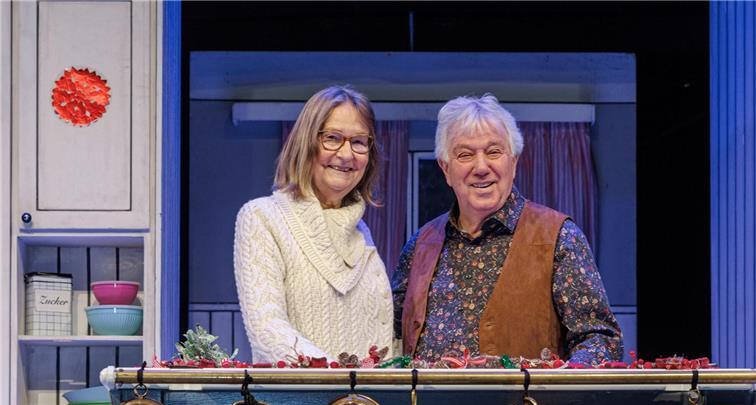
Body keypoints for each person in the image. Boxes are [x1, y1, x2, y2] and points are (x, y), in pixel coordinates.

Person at [392, 94, 623, 366]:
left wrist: (561, 383)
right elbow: (393, 338)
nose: (481, 167)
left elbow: (600, 339)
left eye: (493, 152)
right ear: (445, 169)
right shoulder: (420, 245)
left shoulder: (559, 238)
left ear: (513, 162)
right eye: (465, 155)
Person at [234, 86, 393, 363]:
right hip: (297, 404)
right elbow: (267, 330)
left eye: (358, 142)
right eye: (332, 138)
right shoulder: (262, 217)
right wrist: (340, 382)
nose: (346, 154)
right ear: (306, 143)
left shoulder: (361, 233)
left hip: (363, 404)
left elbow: (380, 343)